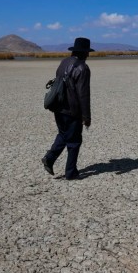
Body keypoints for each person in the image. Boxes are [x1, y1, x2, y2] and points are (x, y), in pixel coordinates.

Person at [42, 37, 93, 180]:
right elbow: (83, 94)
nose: (88, 55)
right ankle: (71, 173)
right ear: (84, 53)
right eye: (87, 52)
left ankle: (50, 158)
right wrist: (86, 117)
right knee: (74, 141)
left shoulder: (64, 62)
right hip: (72, 110)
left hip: (58, 106)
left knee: (64, 134)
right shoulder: (83, 68)